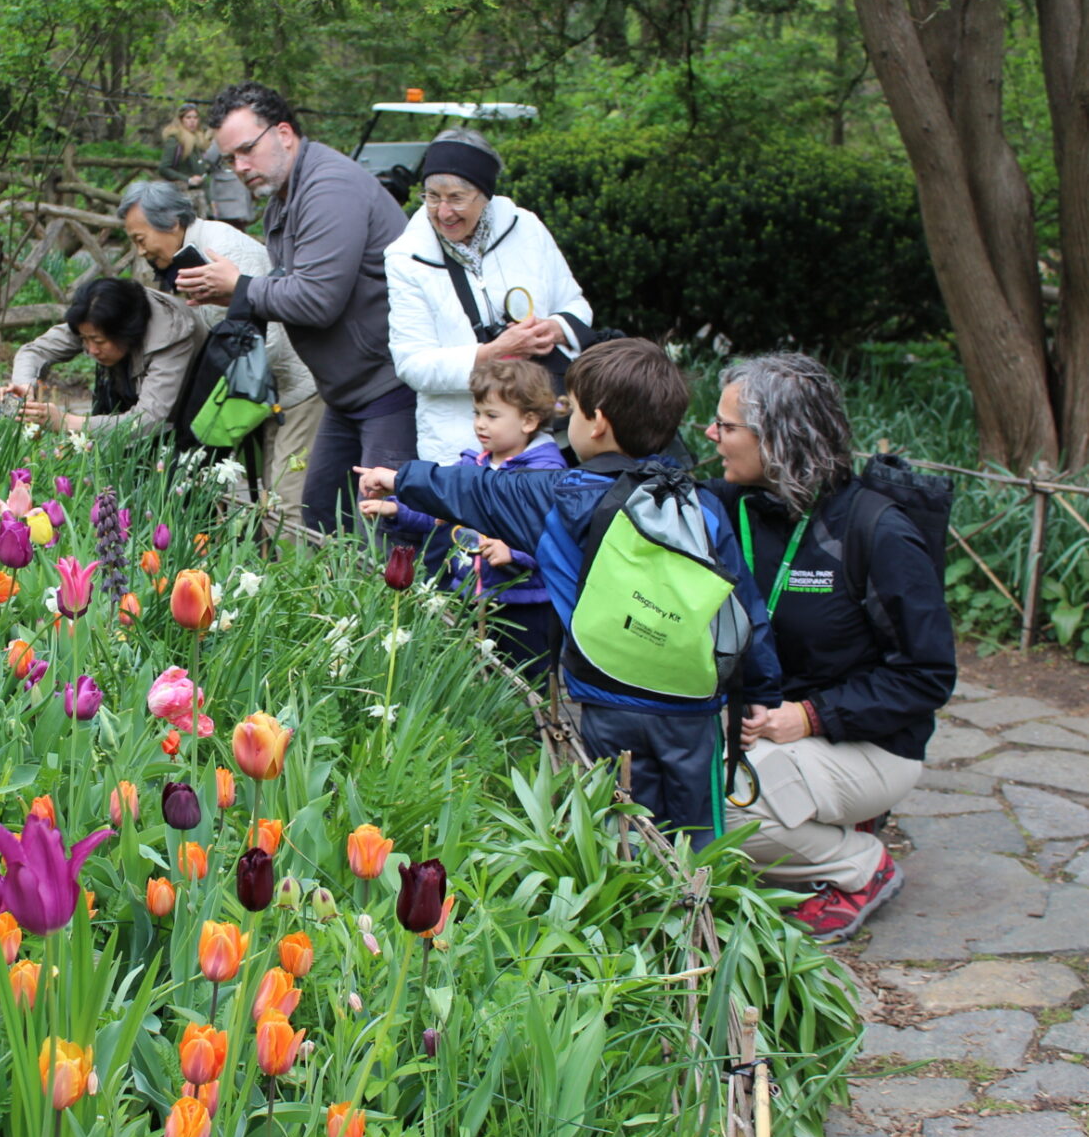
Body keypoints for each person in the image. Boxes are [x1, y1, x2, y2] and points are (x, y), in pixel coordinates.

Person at [356, 339, 781, 842]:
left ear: (596, 422)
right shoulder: (699, 505)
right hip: (692, 705)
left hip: (607, 696)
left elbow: (476, 490)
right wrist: (759, 687)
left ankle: (633, 911)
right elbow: (740, 604)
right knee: (698, 831)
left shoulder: (563, 497)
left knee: (619, 823)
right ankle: (704, 910)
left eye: (572, 411)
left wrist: (400, 477)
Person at [705, 353, 956, 942]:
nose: (712, 435)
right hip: (759, 730)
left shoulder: (878, 531)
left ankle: (859, 867)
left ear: (780, 438)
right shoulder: (733, 505)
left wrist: (812, 717)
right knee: (664, 785)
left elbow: (926, 677)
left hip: (869, 743)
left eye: (727, 426)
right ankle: (810, 828)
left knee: (723, 813)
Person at [175, 81, 415, 534]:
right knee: (318, 518)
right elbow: (291, 285)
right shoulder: (285, 199)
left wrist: (240, 287)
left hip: (387, 391)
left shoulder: (329, 188)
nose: (240, 167)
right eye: (229, 159)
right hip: (345, 395)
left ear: (284, 133)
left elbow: (318, 300)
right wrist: (235, 289)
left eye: (247, 150)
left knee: (389, 533)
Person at [384, 128, 593, 465]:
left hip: (544, 441)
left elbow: (576, 307)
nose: (443, 211)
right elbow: (412, 364)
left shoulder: (526, 228)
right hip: (461, 447)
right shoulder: (406, 256)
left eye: (456, 198)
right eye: (432, 196)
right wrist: (494, 353)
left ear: (485, 194)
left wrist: (553, 329)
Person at [116, 180, 324, 509]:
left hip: (294, 390)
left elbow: (265, 342)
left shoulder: (221, 249)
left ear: (171, 223)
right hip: (258, 394)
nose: (140, 251)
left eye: (140, 240)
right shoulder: (186, 257)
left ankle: (293, 561)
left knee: (285, 503)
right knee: (267, 500)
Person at [359, 358, 565, 680]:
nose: (480, 424)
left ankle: (527, 729)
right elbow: (444, 516)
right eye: (477, 413)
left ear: (529, 420)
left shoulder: (545, 475)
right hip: (470, 594)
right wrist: (399, 508)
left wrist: (514, 553)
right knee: (474, 676)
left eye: (492, 415)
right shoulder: (474, 463)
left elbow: (556, 536)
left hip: (523, 603)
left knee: (523, 679)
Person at [3, 277, 205, 436]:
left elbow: (149, 419)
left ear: (127, 331)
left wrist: (66, 422)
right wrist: (24, 385)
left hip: (192, 422)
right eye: (84, 339)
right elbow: (34, 351)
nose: (91, 350)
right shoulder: (93, 315)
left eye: (99, 342)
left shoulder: (171, 335)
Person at [158, 103, 210, 207]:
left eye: (195, 117)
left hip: (201, 195)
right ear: (181, 119)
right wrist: (188, 180)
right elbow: (164, 168)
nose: (192, 121)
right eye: (188, 117)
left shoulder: (200, 140)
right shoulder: (175, 140)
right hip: (182, 195)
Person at [200, 141, 256, 229]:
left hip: (232, 190)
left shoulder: (222, 138)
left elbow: (209, 158)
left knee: (233, 227)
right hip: (233, 190)